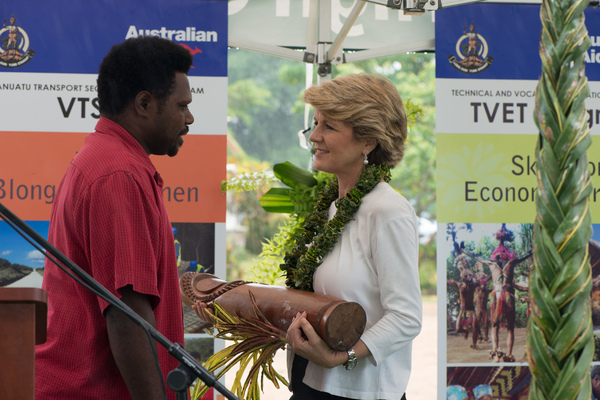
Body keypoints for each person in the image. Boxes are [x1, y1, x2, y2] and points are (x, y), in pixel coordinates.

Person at [35, 36, 194, 400]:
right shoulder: (118, 175)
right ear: (143, 103)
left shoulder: (113, 161)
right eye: (182, 105)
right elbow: (127, 315)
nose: (189, 118)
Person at [283, 73, 422, 400]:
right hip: (309, 384)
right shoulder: (330, 206)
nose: (314, 136)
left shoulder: (388, 211)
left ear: (368, 141)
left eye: (328, 127)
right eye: (315, 124)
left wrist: (343, 357)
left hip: (359, 393)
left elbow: (406, 317)